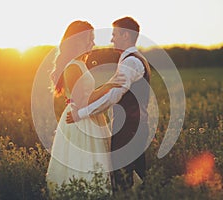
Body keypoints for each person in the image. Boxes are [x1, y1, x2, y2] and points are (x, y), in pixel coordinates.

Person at [66, 16, 151, 192]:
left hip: (129, 128)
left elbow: (113, 96)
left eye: (115, 34)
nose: (111, 39)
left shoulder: (131, 62)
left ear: (126, 36)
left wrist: (81, 114)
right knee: (139, 177)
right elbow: (110, 88)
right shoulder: (133, 59)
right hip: (134, 127)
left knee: (122, 180)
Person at [46, 20, 125, 193]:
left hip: (89, 116)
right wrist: (108, 87)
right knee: (83, 160)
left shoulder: (80, 63)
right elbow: (81, 101)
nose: (93, 43)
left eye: (93, 38)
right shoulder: (73, 67)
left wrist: (107, 87)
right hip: (79, 119)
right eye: (89, 39)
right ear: (76, 41)